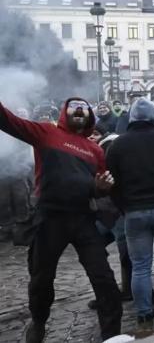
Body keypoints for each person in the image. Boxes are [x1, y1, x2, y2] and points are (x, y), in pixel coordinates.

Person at [0, 98, 122, 343]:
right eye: (74, 106)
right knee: (41, 278)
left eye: (84, 108)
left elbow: (99, 187)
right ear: (66, 113)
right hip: (50, 218)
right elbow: (9, 122)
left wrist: (102, 188)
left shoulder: (95, 149)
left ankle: (112, 334)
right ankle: (38, 321)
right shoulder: (46, 132)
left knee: (104, 277)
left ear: (90, 116)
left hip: (83, 218)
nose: (79, 110)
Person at [105, 99, 154, 334]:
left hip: (134, 211)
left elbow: (112, 183)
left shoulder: (117, 145)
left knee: (140, 266)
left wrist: (125, 207)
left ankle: (144, 317)